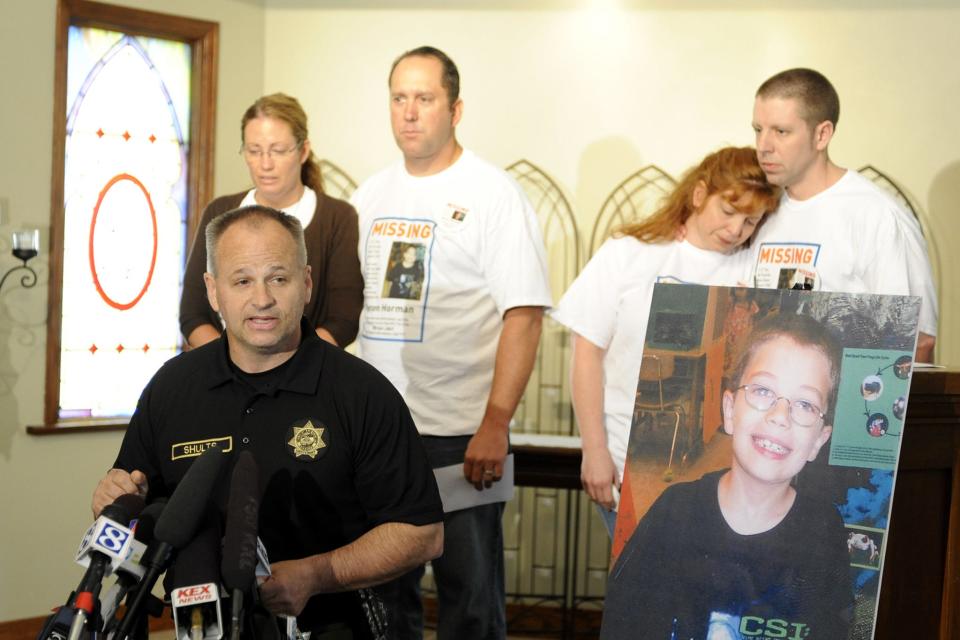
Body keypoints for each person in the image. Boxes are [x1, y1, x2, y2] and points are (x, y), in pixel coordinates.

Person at [92, 206, 443, 639]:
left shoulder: (362, 393)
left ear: (307, 283)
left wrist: (317, 574)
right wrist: (115, 498)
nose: (262, 299)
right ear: (213, 291)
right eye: (242, 281)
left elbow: (421, 533)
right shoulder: (172, 386)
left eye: (279, 278)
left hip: (332, 625)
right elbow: (138, 505)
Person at [351, 46, 552, 639]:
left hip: (463, 436)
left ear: (455, 108)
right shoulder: (368, 196)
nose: (409, 113)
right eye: (399, 98)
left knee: (469, 592)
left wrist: (495, 422)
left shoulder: (494, 193)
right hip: (382, 435)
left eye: (425, 98)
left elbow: (525, 314)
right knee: (385, 591)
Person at [552, 147, 781, 535]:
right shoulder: (630, 253)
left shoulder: (754, 264)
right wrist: (594, 450)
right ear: (698, 194)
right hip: (625, 465)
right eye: (727, 212)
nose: (734, 230)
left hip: (723, 480)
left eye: (750, 221)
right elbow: (586, 353)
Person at [600, 313, 853, 640]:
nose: (779, 417)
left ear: (818, 440)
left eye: (804, 404)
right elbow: (625, 623)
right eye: (763, 391)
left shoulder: (823, 531)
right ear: (730, 411)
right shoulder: (673, 512)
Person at [750, 68, 937, 362]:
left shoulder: (877, 214)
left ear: (822, 134)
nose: (763, 146)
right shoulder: (757, 212)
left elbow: (918, 342)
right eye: (758, 130)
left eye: (781, 131)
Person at [180, 93, 363, 348]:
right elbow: (192, 314)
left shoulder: (336, 218)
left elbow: (343, 320)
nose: (265, 164)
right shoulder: (220, 211)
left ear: (303, 151)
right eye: (254, 151)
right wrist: (229, 367)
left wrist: (289, 370)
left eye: (278, 151)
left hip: (306, 377)